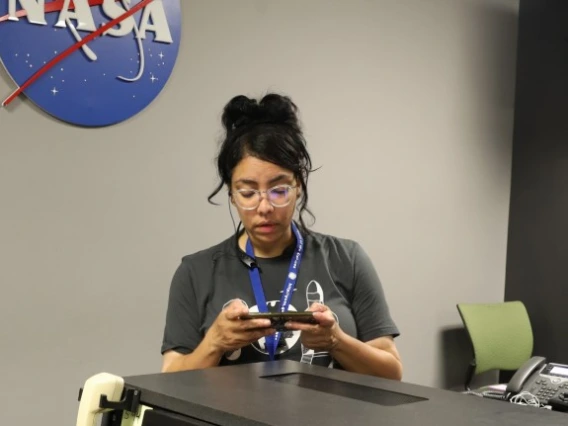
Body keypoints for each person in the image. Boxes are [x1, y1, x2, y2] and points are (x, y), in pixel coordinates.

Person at [161, 93, 402, 380]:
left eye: (278, 190)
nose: (264, 207)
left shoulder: (345, 258)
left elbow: (391, 373)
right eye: (248, 192)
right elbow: (170, 379)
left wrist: (336, 341)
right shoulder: (195, 272)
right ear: (231, 194)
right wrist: (214, 343)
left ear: (297, 185)